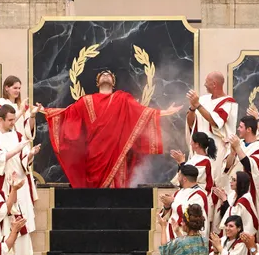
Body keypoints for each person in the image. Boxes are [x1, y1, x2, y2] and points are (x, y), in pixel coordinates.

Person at [42, 70, 182, 188]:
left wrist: (165, 112)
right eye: (102, 74)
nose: (105, 75)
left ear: (113, 82)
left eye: (108, 74)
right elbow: (67, 114)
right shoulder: (86, 100)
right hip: (94, 155)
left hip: (116, 153)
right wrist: (45, 111)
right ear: (97, 82)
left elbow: (143, 113)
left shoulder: (122, 99)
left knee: (116, 189)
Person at [0, 104, 39, 255]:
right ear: (0, 119)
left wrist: (30, 154)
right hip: (3, 185)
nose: (14, 123)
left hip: (19, 182)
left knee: (21, 219)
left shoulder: (16, 135)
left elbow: (23, 159)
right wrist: (16, 149)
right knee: (9, 221)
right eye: (11, 120)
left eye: (15, 119)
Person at [159, 164, 210, 255]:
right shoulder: (178, 193)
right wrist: (167, 206)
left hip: (189, 244)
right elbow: (169, 212)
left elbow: (191, 212)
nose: (177, 178)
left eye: (179, 175)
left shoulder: (199, 194)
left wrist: (172, 202)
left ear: (184, 178)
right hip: (173, 240)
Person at [187, 72, 237, 164]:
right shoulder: (203, 99)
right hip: (198, 150)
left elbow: (214, 121)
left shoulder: (228, 103)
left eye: (206, 82)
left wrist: (197, 105)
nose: (204, 85)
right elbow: (191, 123)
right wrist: (192, 108)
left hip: (216, 150)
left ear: (214, 84)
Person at [222, 115, 259, 207]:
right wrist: (232, 153)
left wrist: (237, 148)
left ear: (249, 129)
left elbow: (251, 167)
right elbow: (227, 167)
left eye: (241, 127)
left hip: (249, 190)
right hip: (232, 189)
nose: (238, 129)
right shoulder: (238, 143)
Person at [0, 75, 37, 140]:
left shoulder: (22, 106)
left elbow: (28, 130)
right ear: (6, 88)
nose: (18, 91)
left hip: (22, 144)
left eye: (19, 88)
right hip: (7, 143)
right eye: (15, 88)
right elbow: (0, 125)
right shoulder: (0, 104)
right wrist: (20, 112)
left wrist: (32, 115)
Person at [170, 132, 217, 198]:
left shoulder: (205, 161)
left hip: (199, 195)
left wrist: (182, 163)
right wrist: (180, 163)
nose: (190, 143)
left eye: (191, 141)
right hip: (190, 192)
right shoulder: (195, 158)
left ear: (197, 144)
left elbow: (190, 178)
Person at [213, 172, 258, 239]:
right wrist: (223, 202)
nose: (231, 182)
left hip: (241, 236)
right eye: (231, 179)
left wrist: (225, 200)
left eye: (234, 180)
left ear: (240, 182)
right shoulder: (232, 194)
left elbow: (234, 218)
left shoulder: (245, 199)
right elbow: (225, 213)